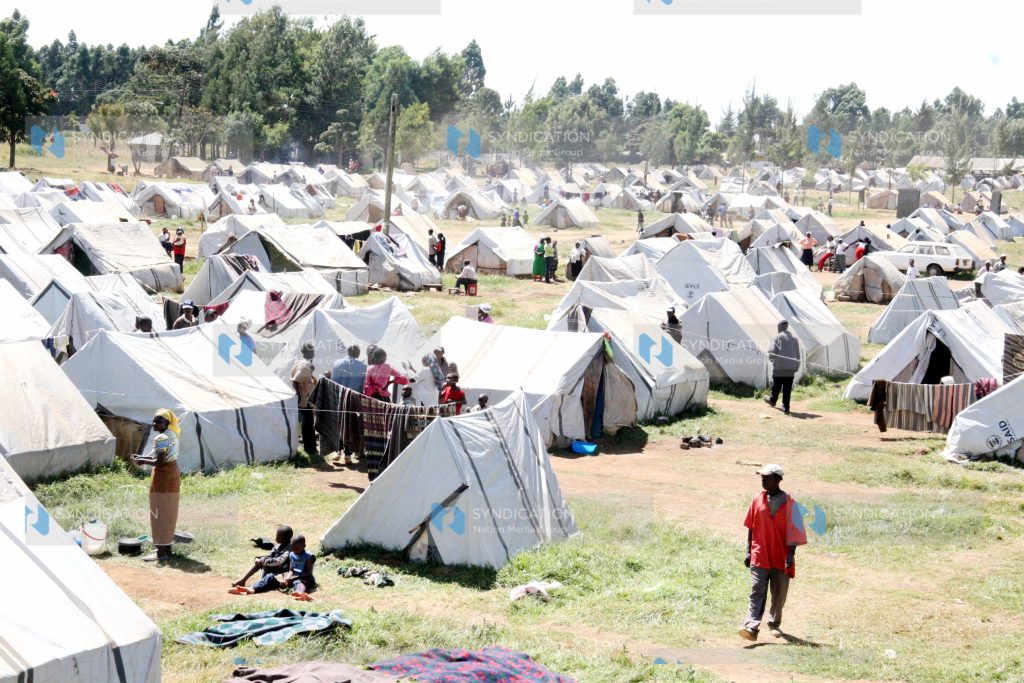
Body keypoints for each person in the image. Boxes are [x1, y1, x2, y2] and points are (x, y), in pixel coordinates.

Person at [739, 464, 807, 641]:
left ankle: (774, 623)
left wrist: (791, 554)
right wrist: (748, 551)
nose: (763, 480)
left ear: (777, 479)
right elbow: (751, 527)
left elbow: (796, 530)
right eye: (761, 477)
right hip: (759, 553)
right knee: (756, 590)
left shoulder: (790, 503)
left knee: (779, 592)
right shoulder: (757, 500)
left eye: (766, 477)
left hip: (780, 555)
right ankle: (751, 626)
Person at [130, 410, 181, 563]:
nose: (154, 424)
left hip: (163, 475)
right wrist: (142, 457)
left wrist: (142, 462)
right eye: (153, 421)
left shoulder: (161, 437)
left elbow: (159, 461)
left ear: (166, 423)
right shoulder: (172, 434)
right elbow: (159, 455)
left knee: (159, 510)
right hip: (172, 473)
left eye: (158, 422)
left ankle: (160, 553)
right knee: (169, 509)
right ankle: (166, 546)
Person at [237, 535, 316, 599]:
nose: (295, 550)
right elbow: (291, 570)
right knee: (271, 576)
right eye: (293, 548)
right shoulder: (292, 554)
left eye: (297, 548)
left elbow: (308, 573)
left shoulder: (308, 556)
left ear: (304, 546)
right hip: (293, 578)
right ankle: (253, 588)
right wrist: (287, 578)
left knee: (298, 582)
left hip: (305, 578)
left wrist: (294, 578)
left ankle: (300, 593)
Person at [765, 320, 800, 416]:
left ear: (780, 327)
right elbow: (797, 355)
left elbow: (772, 352)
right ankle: (785, 407)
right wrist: (796, 366)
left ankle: (772, 400)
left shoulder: (777, 338)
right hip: (791, 369)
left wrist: (772, 359)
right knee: (787, 388)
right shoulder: (794, 339)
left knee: (776, 386)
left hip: (780, 367)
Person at [291, 342, 318, 457]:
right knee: (308, 424)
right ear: (306, 352)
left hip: (305, 397)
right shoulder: (305, 364)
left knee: (307, 424)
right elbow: (296, 380)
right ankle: (310, 448)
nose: (313, 353)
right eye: (311, 351)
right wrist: (299, 395)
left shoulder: (300, 362)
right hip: (304, 398)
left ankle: (310, 447)